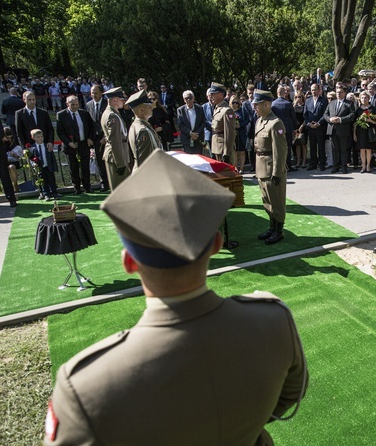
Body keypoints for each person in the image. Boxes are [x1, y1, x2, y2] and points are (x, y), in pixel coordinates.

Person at [44, 150, 308, 446]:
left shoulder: (83, 385)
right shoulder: (273, 320)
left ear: (129, 262)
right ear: (216, 245)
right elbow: (286, 399)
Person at [253, 90, 288, 244]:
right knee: (267, 200)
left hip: (271, 168)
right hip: (261, 167)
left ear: (266, 104)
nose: (255, 107)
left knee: (277, 201)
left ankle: (279, 231)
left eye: (257, 104)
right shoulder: (260, 120)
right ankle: (272, 226)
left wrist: (277, 172)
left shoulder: (275, 123)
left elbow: (280, 150)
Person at [56, 95, 95, 194]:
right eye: (72, 105)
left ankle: (87, 186)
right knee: (73, 168)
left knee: (85, 167)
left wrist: (90, 138)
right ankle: (76, 188)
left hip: (83, 144)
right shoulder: (61, 115)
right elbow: (60, 132)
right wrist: (69, 143)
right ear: (67, 104)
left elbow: (91, 127)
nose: (75, 107)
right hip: (70, 146)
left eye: (77, 104)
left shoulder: (84, 114)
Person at [101, 87, 131, 191]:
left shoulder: (112, 113)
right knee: (121, 191)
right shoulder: (112, 116)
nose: (123, 101)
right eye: (121, 99)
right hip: (116, 158)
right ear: (114, 100)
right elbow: (115, 141)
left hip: (117, 157)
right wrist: (120, 163)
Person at [323, 83, 355, 174]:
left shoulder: (349, 103)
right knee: (334, 149)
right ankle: (335, 166)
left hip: (343, 130)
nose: (338, 94)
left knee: (343, 149)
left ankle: (344, 167)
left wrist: (340, 119)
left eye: (340, 92)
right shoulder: (332, 103)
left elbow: (352, 115)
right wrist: (330, 119)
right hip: (332, 129)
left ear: (344, 93)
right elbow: (325, 114)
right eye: (337, 92)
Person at [127, 90, 162, 169]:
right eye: (148, 106)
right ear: (141, 110)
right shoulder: (143, 130)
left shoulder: (137, 125)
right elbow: (145, 161)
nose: (152, 107)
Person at [85, 84, 110, 192]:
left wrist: (106, 137)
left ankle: (112, 182)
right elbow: (89, 123)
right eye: (92, 93)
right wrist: (89, 138)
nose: (93, 95)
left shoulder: (107, 104)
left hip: (107, 138)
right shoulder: (88, 105)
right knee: (99, 162)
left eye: (96, 93)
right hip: (95, 138)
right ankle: (104, 183)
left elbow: (110, 123)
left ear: (101, 93)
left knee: (109, 161)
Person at [271, 86, 298, 171]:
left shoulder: (273, 104)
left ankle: (279, 166)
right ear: (284, 93)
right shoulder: (288, 103)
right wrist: (295, 128)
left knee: (277, 148)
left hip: (276, 129)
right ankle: (288, 166)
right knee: (287, 148)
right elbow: (293, 117)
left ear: (277, 93)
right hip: (288, 129)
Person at [208, 83, 236, 163]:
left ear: (220, 95)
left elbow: (229, 133)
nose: (211, 96)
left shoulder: (227, 111)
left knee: (227, 174)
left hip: (223, 150)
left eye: (213, 94)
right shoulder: (217, 108)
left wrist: (226, 153)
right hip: (217, 148)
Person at [29, 128, 59, 201]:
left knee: (52, 180)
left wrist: (54, 166)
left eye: (42, 136)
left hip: (48, 166)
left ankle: (54, 193)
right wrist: (34, 164)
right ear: (33, 138)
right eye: (38, 137)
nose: (40, 138)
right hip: (40, 168)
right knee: (43, 181)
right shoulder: (32, 148)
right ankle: (46, 194)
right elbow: (31, 158)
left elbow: (52, 157)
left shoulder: (47, 146)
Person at [353, 91, 376, 173]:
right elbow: (355, 123)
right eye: (362, 98)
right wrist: (354, 133)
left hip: (369, 131)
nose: (364, 99)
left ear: (368, 98)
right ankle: (363, 165)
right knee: (362, 149)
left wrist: (369, 120)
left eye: (365, 97)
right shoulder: (358, 109)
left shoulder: (373, 108)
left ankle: (368, 166)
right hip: (360, 131)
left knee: (369, 149)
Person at [177, 90, 205, 154]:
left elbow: (203, 122)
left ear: (193, 98)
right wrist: (190, 133)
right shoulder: (180, 110)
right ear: (184, 100)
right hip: (186, 139)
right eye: (186, 98)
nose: (188, 100)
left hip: (198, 138)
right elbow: (180, 124)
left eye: (190, 97)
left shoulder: (200, 108)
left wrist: (196, 133)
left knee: (199, 158)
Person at [3, 126, 23, 193]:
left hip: (13, 160)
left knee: (12, 167)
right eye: (7, 138)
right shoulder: (0, 143)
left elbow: (19, 153)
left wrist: (16, 154)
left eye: (10, 138)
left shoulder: (13, 141)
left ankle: (15, 185)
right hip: (3, 161)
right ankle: (11, 186)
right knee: (9, 167)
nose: (9, 140)